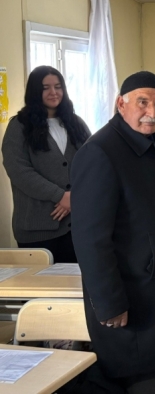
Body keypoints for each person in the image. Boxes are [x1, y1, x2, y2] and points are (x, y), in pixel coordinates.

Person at [71, 71, 155, 392]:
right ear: (121, 104)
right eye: (142, 102)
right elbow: (90, 239)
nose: (152, 112)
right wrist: (108, 302)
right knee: (145, 383)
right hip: (135, 299)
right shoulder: (100, 152)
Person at [2, 66, 91, 263]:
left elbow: (93, 164)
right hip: (36, 229)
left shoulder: (76, 123)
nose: (53, 92)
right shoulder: (19, 126)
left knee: (77, 281)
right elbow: (19, 171)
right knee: (42, 281)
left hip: (78, 225)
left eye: (58, 87)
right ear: (35, 91)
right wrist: (60, 196)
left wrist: (75, 196)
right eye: (46, 88)